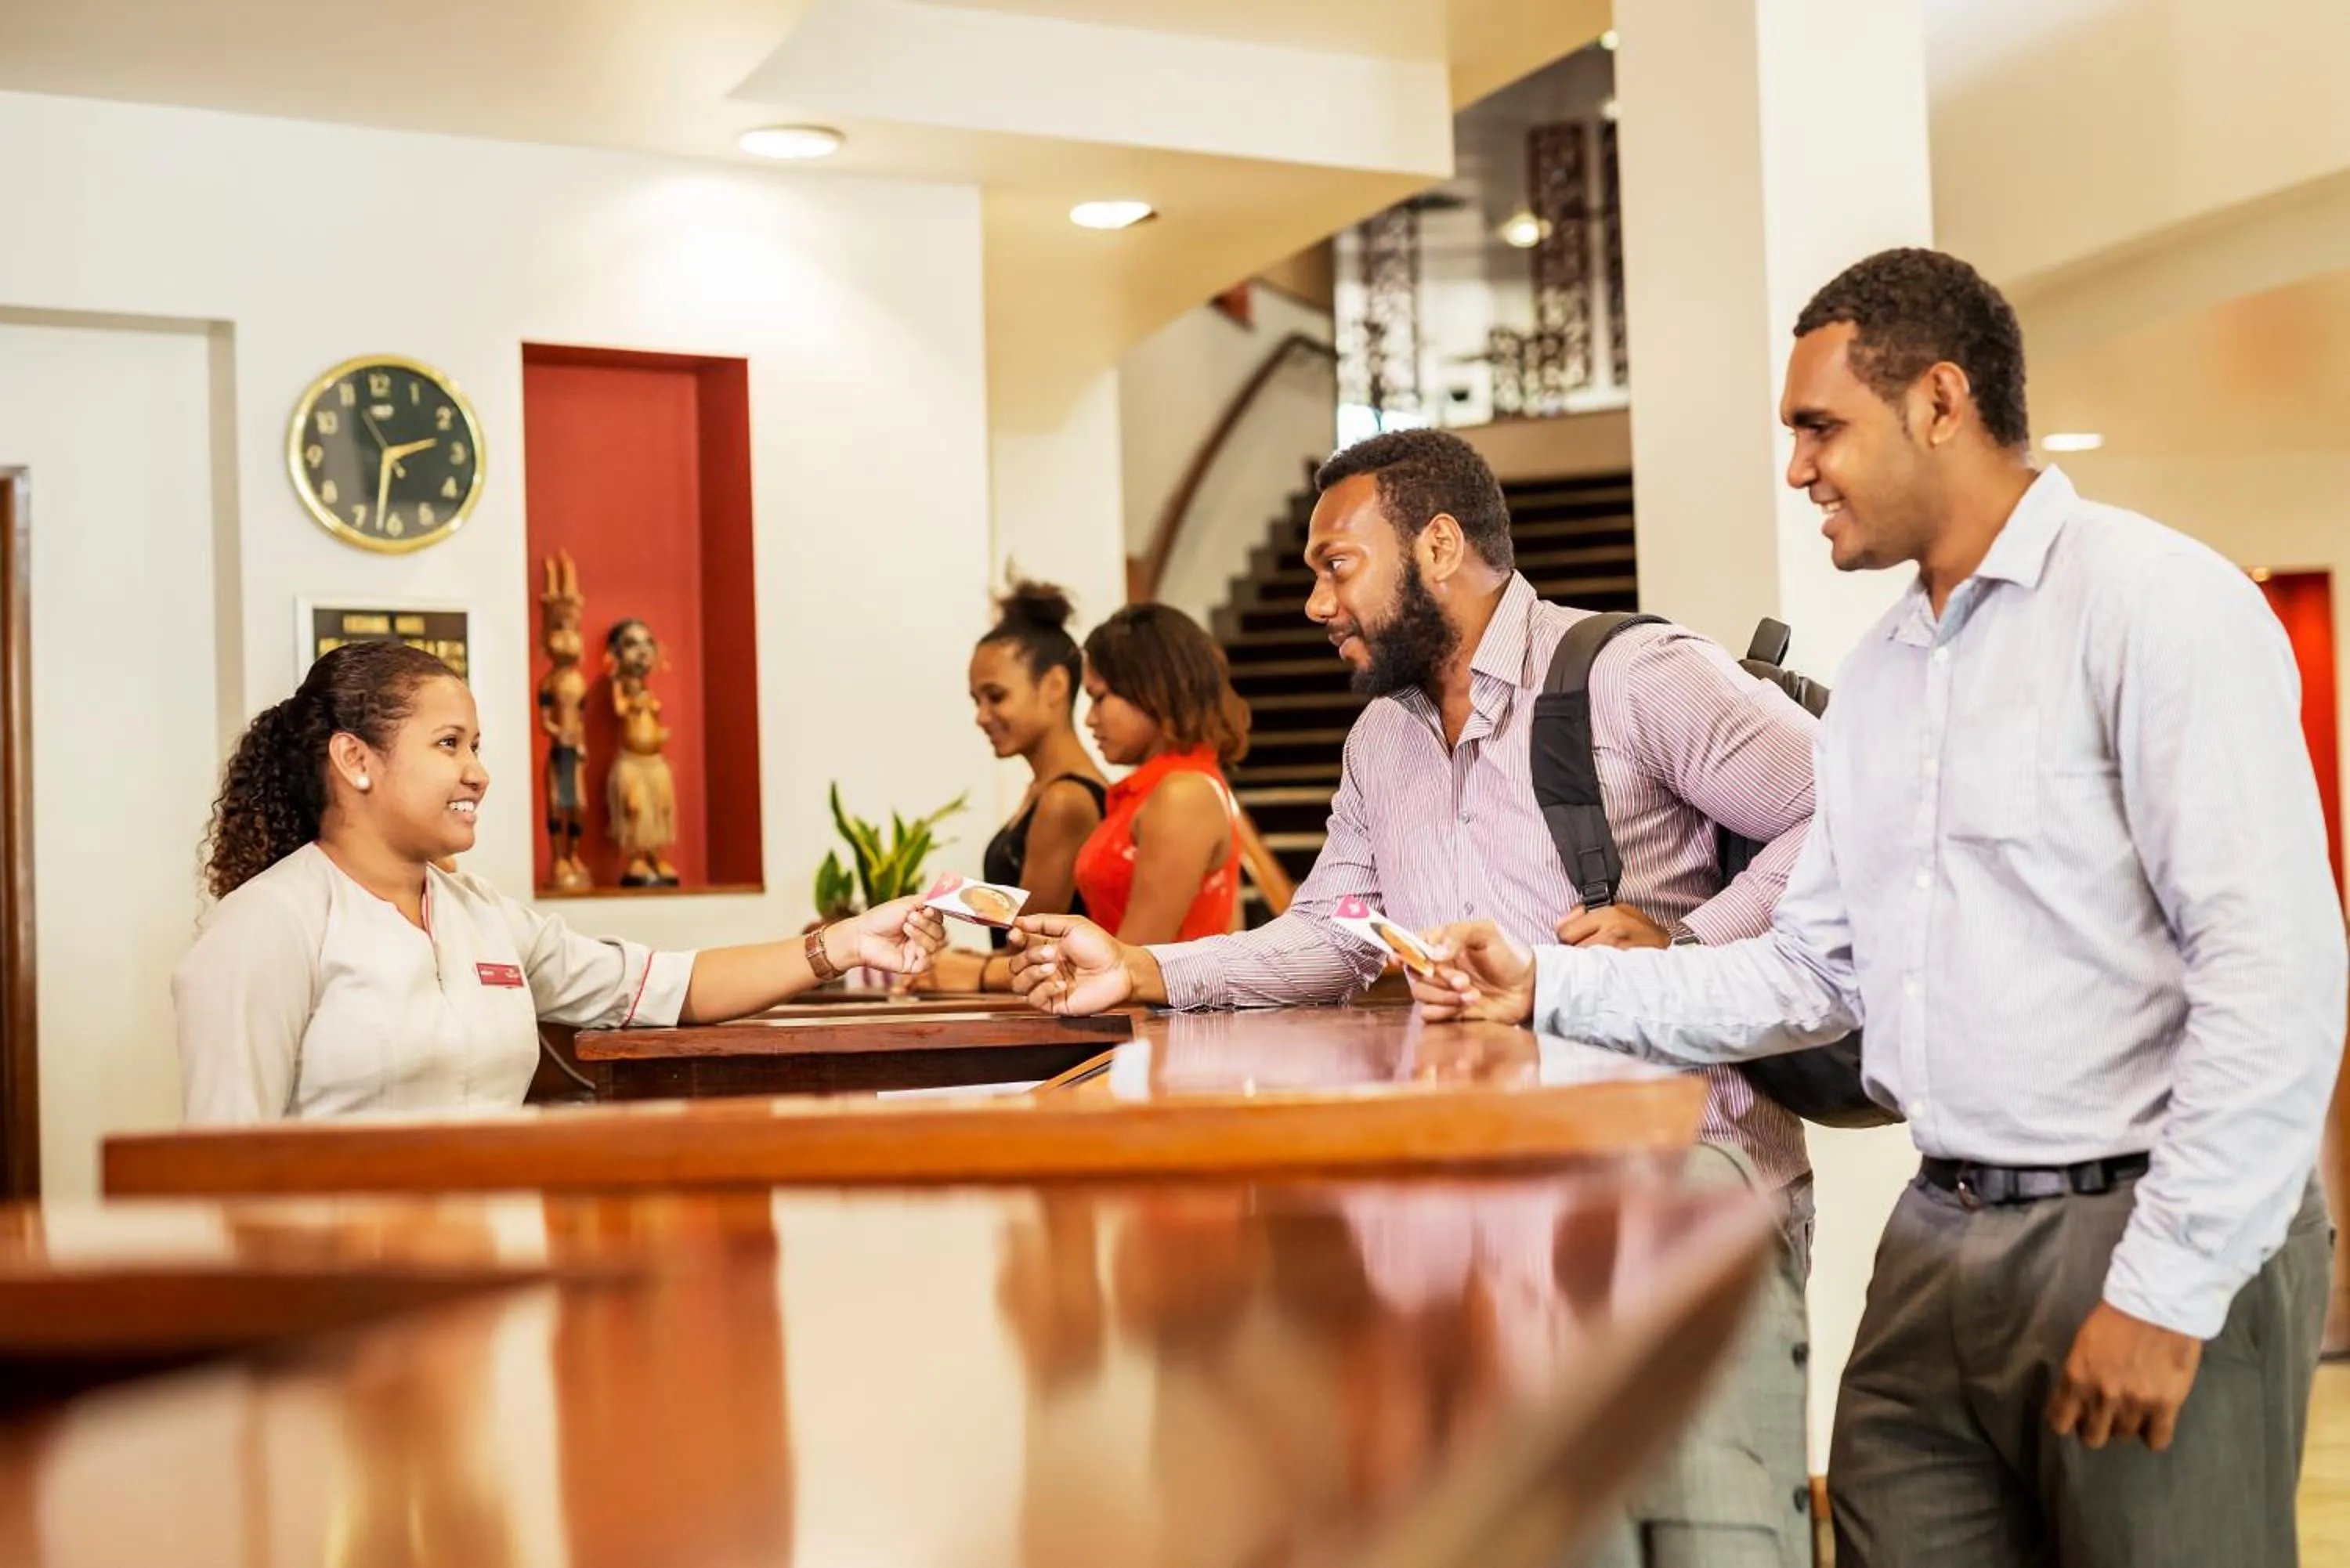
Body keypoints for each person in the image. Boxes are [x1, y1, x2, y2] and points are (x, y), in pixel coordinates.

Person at [1408, 248, 2347, 1568]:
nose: (1798, 469)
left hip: (2137, 1221)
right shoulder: (1884, 676)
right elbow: (1808, 974)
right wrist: (1544, 983)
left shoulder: (2156, 605)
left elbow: (2275, 973)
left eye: (1820, 426)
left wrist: (2170, 1286)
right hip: (1935, 1234)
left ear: (1940, 403)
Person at [1005, 426, 1824, 1567]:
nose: (1312, 603)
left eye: (1337, 565)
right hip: (1470, 1235)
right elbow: (1333, 933)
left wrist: (1686, 939)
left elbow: (1843, 812)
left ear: (1439, 545)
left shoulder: (1634, 676)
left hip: (1679, 1201)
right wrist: (1145, 969)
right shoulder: (1379, 740)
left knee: (1710, 1547)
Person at [175, 640, 944, 1122]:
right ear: (355, 760)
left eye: (476, 744)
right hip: (344, 1319)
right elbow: (221, 1166)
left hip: (493, 1287)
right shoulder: (267, 924)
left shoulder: (483, 918)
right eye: (449, 744)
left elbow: (669, 987)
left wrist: (839, 945)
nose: (478, 771)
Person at [919, 580, 1108, 993]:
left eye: (996, 696)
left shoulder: (1066, 800)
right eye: (976, 700)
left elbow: (1031, 947)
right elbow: (1018, 918)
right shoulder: (1045, 792)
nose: (982, 716)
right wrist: (936, 900)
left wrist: (967, 967)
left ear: (1055, 686)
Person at [1070, 602, 1250, 945]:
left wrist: (988, 973)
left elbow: (1137, 957)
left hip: (1164, 997)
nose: (1090, 719)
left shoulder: (1185, 793)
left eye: (1099, 698)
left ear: (1151, 689)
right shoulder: (1159, 789)